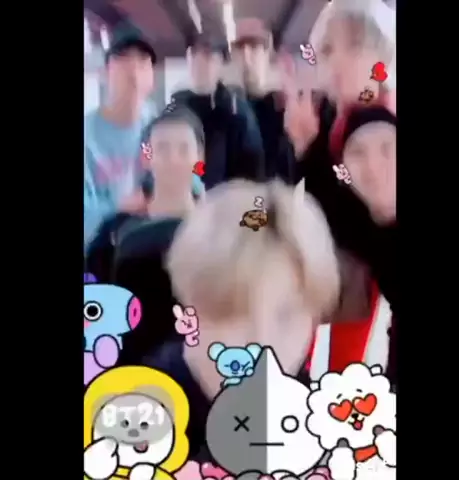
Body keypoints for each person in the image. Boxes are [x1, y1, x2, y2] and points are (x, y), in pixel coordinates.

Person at [142, 180, 341, 461]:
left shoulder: (326, 427)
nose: (263, 345)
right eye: (237, 314)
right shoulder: (126, 428)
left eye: (287, 316)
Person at [284, 0, 397, 384]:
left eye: (354, 46)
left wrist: (310, 152)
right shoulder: (334, 118)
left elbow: (365, 231)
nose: (337, 61)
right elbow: (326, 205)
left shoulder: (383, 126)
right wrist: (306, 149)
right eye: (328, 50)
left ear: (382, 55)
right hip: (342, 282)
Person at [85, 106, 205, 282]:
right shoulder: (114, 233)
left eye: (184, 149)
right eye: (162, 148)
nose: (173, 159)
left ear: (200, 158)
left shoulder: (216, 229)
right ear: (145, 158)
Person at [84, 34, 157, 250]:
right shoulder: (87, 136)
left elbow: (195, 173)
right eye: (123, 59)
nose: (133, 71)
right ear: (104, 73)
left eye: (142, 61)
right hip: (100, 253)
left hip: (154, 247)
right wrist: (120, 206)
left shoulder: (160, 126)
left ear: (152, 77)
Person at [172, 33, 265, 189]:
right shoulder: (177, 110)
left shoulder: (236, 111)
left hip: (228, 197)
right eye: (194, 54)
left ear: (220, 62)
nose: (199, 62)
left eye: (207, 55)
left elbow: (254, 169)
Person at [225, 19, 296, 185]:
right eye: (240, 48)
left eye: (254, 46)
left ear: (267, 52)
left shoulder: (286, 108)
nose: (246, 57)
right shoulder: (225, 110)